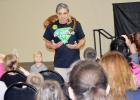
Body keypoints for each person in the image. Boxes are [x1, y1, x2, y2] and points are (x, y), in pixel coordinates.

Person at [43, 3, 86, 81]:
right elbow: (47, 42)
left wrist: (77, 46)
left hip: (75, 63)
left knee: (75, 87)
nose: (62, 16)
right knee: (61, 88)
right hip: (59, 64)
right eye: (60, 14)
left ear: (68, 13)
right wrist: (52, 46)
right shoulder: (51, 26)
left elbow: (82, 39)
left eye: (64, 13)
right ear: (57, 14)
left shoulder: (75, 24)